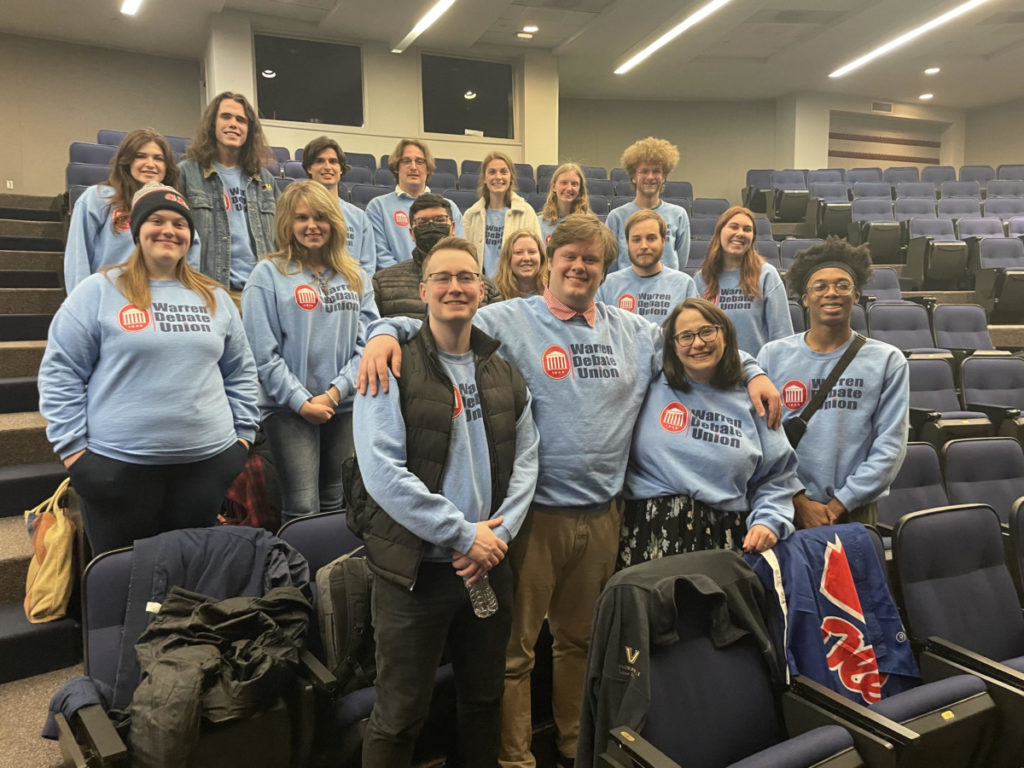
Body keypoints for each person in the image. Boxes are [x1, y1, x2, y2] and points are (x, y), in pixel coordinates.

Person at [356, 213, 781, 768]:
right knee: (515, 655)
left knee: (582, 645)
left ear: (606, 270)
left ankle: (573, 747)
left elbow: (696, 340)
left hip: (606, 515)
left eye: (592, 260)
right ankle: (514, 760)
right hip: (531, 518)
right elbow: (439, 320)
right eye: (570, 257)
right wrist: (382, 333)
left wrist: (752, 371)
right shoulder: (506, 318)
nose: (580, 267)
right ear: (550, 261)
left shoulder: (633, 331)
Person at [352, 236, 539, 767]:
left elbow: (528, 462)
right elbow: (382, 473)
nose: (455, 287)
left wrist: (496, 536)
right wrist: (465, 535)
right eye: (443, 278)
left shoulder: (504, 372)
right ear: (423, 290)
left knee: (483, 701)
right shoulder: (390, 363)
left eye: (466, 278)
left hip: (488, 568)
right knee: (399, 716)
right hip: (416, 575)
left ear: (482, 288)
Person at [38, 183, 258, 555]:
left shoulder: (215, 296)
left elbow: (241, 372)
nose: (169, 230)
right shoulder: (99, 291)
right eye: (157, 220)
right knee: (122, 583)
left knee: (187, 581)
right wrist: (74, 452)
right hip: (116, 470)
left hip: (206, 468)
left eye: (179, 223)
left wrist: (241, 440)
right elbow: (62, 372)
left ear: (190, 235)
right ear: (138, 229)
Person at [619, 298, 798, 567]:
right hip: (650, 532)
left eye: (707, 331)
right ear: (673, 345)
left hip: (726, 538)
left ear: (724, 334)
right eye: (686, 336)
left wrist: (768, 522)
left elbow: (777, 477)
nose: (698, 343)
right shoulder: (651, 381)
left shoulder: (754, 400)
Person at [241, 181, 378, 524]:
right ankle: (300, 578)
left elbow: (368, 344)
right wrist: (302, 401)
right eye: (301, 217)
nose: (312, 226)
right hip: (288, 408)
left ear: (334, 221)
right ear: (287, 223)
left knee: (337, 500)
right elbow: (263, 354)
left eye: (320, 217)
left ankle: (329, 577)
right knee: (301, 505)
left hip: (343, 405)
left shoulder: (355, 275)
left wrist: (334, 393)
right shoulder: (267, 275)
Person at [757, 238, 909, 528]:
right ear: (804, 298)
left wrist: (841, 503)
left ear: (856, 296)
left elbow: (890, 446)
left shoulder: (887, 360)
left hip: (856, 510)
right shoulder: (772, 356)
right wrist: (799, 500)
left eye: (842, 285)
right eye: (820, 286)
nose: (832, 293)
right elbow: (764, 439)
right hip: (785, 506)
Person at [64, 128, 200, 292]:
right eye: (141, 156)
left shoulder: (174, 203)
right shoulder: (97, 198)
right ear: (127, 161)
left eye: (158, 158)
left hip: (160, 302)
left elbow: (191, 257)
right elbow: (78, 258)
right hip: (110, 296)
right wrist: (82, 301)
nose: (150, 164)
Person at [178, 91, 278, 305]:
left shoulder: (265, 179)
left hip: (262, 294)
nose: (233, 124)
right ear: (212, 124)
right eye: (226, 117)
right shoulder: (186, 174)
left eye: (241, 120)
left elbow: (282, 237)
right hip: (209, 292)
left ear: (249, 130)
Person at [372, 194, 502, 320]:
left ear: (452, 228)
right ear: (412, 233)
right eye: (422, 222)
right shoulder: (382, 284)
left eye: (439, 220)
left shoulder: (488, 289)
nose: (431, 226)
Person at [694, 206, 793, 354]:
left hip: (757, 371)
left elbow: (782, 335)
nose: (740, 233)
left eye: (747, 229)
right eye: (733, 227)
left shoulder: (766, 275)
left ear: (752, 238)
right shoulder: (702, 278)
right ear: (719, 232)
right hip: (713, 370)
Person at [365, 138, 465, 270]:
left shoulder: (449, 207)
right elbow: (380, 255)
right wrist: (407, 279)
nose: (413, 167)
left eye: (420, 161)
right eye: (406, 161)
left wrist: (435, 278)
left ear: (428, 168)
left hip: (442, 281)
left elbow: (458, 250)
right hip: (395, 284)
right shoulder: (378, 207)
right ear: (396, 167)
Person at [595, 210, 696, 325]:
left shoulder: (684, 285)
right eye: (636, 239)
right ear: (627, 243)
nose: (644, 246)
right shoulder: (606, 285)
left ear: (663, 241)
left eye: (651, 238)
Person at [605, 137, 689, 272]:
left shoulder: (678, 214)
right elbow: (611, 262)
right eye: (644, 171)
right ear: (633, 176)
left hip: (667, 290)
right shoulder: (616, 217)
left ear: (664, 177)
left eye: (656, 171)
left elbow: (681, 260)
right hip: (627, 291)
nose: (650, 177)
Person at [301, 135, 377, 274]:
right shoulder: (297, 214)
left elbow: (367, 267)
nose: (327, 167)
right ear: (309, 168)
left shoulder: (359, 218)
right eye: (319, 161)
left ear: (341, 169)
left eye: (333, 161)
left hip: (350, 292)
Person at [463, 151, 542, 278]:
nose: (498, 177)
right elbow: (464, 257)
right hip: (482, 288)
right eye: (492, 172)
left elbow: (537, 255)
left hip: (514, 287)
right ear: (484, 178)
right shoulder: (471, 215)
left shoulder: (526, 212)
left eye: (504, 172)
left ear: (511, 177)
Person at [539, 163, 590, 243]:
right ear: (553, 187)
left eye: (574, 184)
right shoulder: (539, 223)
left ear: (580, 190)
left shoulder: (588, 225)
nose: (569, 188)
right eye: (564, 183)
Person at [494, 229, 548, 300]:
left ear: (541, 257)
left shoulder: (554, 292)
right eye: (519, 252)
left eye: (532, 252)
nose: (526, 258)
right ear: (508, 258)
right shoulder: (495, 295)